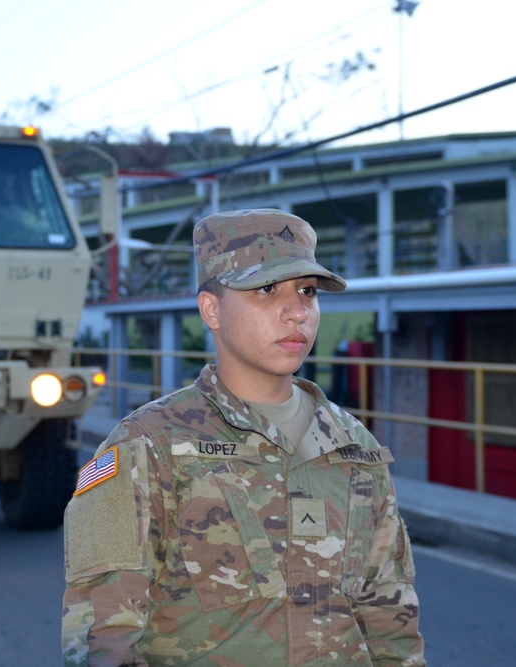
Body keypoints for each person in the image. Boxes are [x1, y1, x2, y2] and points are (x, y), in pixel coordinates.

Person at [62, 208, 425, 666]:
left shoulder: (354, 445)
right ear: (211, 309)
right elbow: (102, 637)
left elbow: (390, 615)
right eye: (266, 290)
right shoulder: (149, 444)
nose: (297, 312)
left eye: (307, 292)